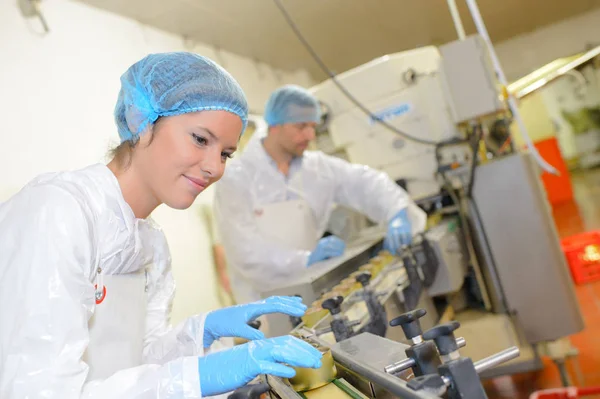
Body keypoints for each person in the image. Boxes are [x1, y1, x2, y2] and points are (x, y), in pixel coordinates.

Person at [0, 53, 322, 398]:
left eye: (226, 153)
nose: (215, 167)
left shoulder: (149, 243)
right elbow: (35, 389)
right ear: (142, 121)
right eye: (200, 139)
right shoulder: (58, 211)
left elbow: (139, 362)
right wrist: (198, 376)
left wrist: (201, 332)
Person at [214, 85, 427, 304]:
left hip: (314, 288)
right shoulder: (236, 179)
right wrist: (303, 260)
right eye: (301, 126)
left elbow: (364, 182)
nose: (310, 135)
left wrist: (396, 211)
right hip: (262, 302)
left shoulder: (318, 168)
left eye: (313, 126)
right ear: (274, 125)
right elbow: (245, 251)